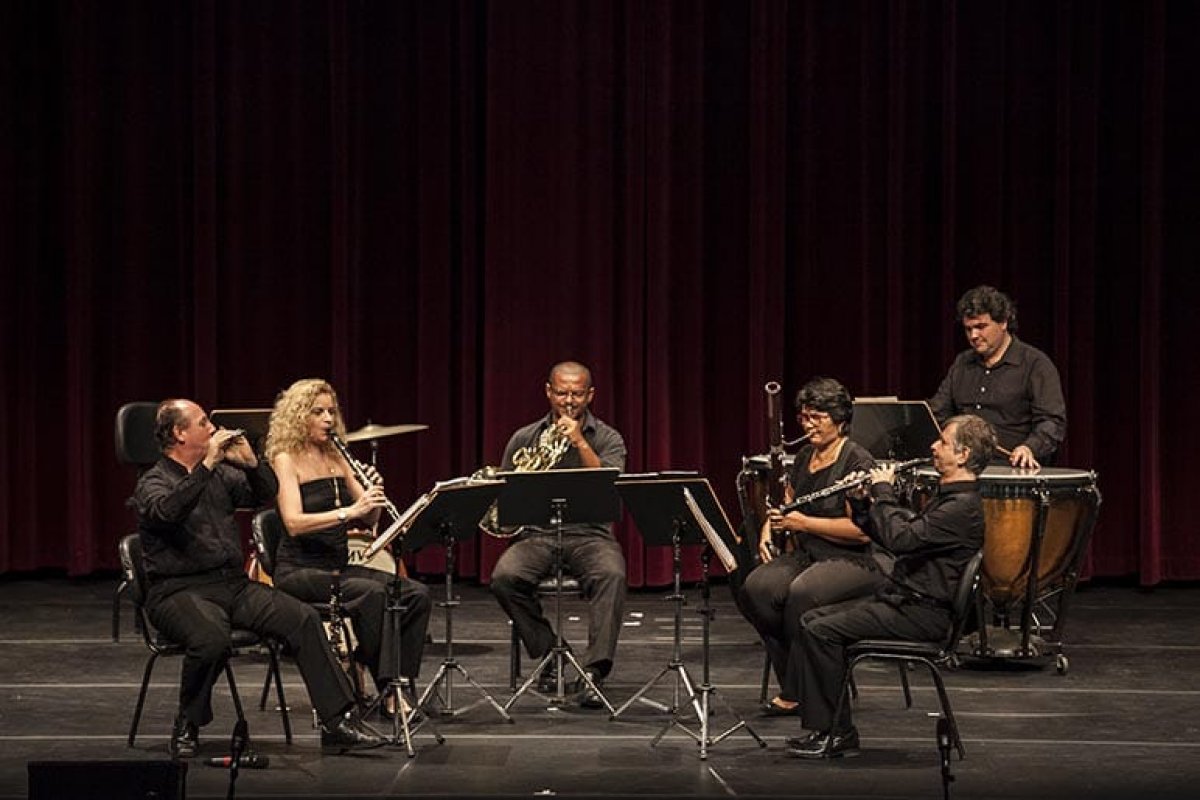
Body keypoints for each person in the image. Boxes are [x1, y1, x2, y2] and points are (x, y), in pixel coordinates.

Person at [132, 399, 385, 758]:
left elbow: (265, 493)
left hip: (231, 585)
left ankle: (337, 721)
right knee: (211, 639)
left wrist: (252, 464)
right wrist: (206, 466)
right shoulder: (153, 481)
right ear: (179, 433)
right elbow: (168, 513)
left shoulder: (220, 475)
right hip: (177, 591)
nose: (212, 429)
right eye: (204, 422)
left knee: (303, 618)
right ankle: (187, 721)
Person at [785, 414, 994, 759]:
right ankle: (831, 729)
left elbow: (902, 538)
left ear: (963, 454)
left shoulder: (962, 508)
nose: (933, 446)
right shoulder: (951, 499)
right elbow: (891, 533)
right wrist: (862, 502)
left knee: (819, 630)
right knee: (812, 620)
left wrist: (883, 490)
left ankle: (836, 733)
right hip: (904, 603)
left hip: (923, 614)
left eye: (942, 441)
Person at [264, 378, 432, 716]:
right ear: (298, 416)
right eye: (318, 412)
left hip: (338, 566)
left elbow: (369, 521)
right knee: (371, 595)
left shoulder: (337, 455)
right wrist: (348, 512)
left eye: (331, 411)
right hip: (299, 570)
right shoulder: (286, 458)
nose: (328, 419)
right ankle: (387, 691)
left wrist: (373, 497)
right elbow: (294, 522)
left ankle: (393, 677)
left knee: (416, 594)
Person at [737, 377, 883, 716]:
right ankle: (797, 678)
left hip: (855, 559)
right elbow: (786, 505)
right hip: (810, 553)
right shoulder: (804, 457)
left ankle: (801, 690)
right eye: (804, 417)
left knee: (801, 594)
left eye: (817, 417)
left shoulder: (856, 460)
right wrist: (765, 530)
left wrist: (803, 524)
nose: (808, 425)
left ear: (840, 418)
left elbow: (861, 532)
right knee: (757, 588)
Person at [489, 361, 628, 708]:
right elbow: (506, 494)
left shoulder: (608, 438)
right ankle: (551, 652)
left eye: (577, 394)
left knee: (612, 574)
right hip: (537, 534)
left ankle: (594, 671)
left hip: (590, 534)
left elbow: (607, 484)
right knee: (504, 577)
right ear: (548, 392)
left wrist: (579, 441)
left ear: (590, 395)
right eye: (562, 392)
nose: (569, 400)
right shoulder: (524, 437)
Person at [929, 285, 1066, 469]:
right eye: (968, 329)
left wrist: (1029, 447)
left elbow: (1052, 422)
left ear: (1003, 323)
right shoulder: (962, 363)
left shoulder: (1035, 364)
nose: (973, 336)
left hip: (1010, 472)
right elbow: (938, 413)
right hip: (962, 471)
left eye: (981, 327)